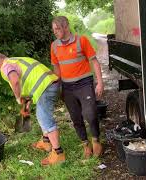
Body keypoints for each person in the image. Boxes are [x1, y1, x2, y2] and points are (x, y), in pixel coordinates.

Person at [0, 53, 65, 165]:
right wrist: (26, 103)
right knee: (42, 114)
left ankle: (58, 153)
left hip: (46, 87)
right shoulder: (17, 60)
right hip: (51, 83)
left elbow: (15, 81)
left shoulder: (6, 66)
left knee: (45, 119)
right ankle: (46, 142)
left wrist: (17, 97)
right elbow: (29, 80)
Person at [50, 16, 104, 158]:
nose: (55, 32)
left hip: (84, 83)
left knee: (90, 113)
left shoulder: (82, 40)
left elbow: (94, 61)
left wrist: (100, 82)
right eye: (53, 29)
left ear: (66, 27)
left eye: (57, 29)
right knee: (75, 118)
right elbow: (57, 70)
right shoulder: (54, 46)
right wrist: (57, 88)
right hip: (67, 87)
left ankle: (96, 140)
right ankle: (85, 144)